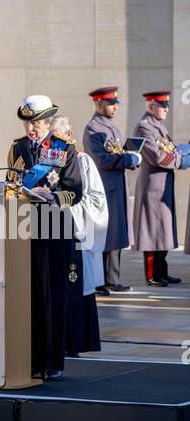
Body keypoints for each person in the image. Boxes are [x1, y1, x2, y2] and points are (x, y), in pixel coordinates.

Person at [7, 95, 83, 380]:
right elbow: (10, 184)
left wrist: (51, 195)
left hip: (54, 225)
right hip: (26, 228)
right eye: (28, 122)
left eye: (36, 122)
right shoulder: (18, 147)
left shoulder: (64, 148)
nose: (31, 128)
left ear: (49, 123)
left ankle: (53, 361)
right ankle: (31, 359)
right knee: (29, 295)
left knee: (53, 295)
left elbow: (75, 190)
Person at [50, 115, 108, 355]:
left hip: (75, 231)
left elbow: (96, 199)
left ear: (69, 136)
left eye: (57, 138)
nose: (54, 145)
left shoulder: (82, 161)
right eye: (51, 139)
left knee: (74, 285)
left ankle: (75, 342)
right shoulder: (42, 162)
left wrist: (67, 205)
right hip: (49, 230)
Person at [83, 86, 141, 295]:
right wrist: (127, 158)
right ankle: (101, 280)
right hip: (105, 186)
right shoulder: (93, 128)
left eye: (116, 103)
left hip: (117, 185)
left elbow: (117, 153)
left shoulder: (111, 127)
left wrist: (132, 157)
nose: (115, 107)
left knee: (116, 233)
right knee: (105, 235)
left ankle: (112, 279)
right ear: (99, 104)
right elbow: (101, 159)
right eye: (111, 104)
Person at [132, 91, 190, 286]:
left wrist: (183, 150)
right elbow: (158, 157)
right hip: (152, 187)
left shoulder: (158, 126)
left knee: (162, 231)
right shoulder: (144, 127)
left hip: (162, 185)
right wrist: (182, 161)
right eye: (162, 106)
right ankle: (152, 275)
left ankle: (162, 272)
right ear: (151, 106)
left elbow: (170, 150)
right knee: (151, 232)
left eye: (167, 106)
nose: (166, 109)